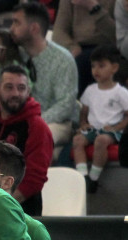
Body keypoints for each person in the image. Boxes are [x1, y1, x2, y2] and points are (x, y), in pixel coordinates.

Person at [0, 64, 53, 216]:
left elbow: (34, 178)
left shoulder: (37, 127)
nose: (16, 93)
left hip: (21, 211)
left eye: (21, 88)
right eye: (9, 87)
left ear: (28, 91)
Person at [10, 1, 79, 144]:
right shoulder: (15, 55)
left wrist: (33, 122)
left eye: (17, 23)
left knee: (38, 137)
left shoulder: (62, 59)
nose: (11, 28)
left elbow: (65, 105)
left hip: (58, 122)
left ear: (34, 28)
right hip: (21, 121)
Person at [73, 44, 128, 193]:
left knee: (101, 141)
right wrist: (83, 123)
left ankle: (94, 178)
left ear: (114, 68)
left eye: (101, 66)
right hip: (93, 128)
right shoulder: (90, 90)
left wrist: (117, 128)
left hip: (111, 129)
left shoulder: (120, 92)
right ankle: (83, 177)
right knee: (77, 140)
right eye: (93, 66)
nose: (96, 70)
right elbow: (84, 111)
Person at [52, 0, 116, 94]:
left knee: (89, 62)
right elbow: (59, 31)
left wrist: (93, 6)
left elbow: (116, 34)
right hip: (78, 48)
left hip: (107, 46)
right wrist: (71, 47)